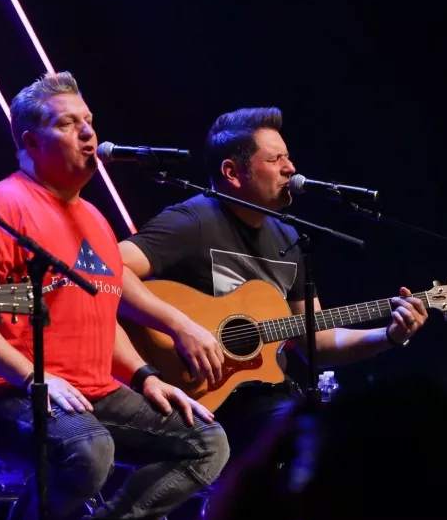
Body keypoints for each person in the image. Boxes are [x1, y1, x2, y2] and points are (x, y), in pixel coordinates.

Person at [0, 71, 229, 520]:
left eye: (88, 120)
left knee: (206, 441)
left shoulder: (94, 219)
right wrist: (34, 377)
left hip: (87, 393)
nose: (88, 132)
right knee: (89, 450)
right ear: (31, 142)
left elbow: (100, 313)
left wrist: (144, 376)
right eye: (68, 124)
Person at [118, 106, 430, 461]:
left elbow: (317, 341)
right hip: (198, 396)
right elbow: (110, 269)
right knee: (314, 439)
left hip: (266, 400)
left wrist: (389, 336)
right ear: (232, 173)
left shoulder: (289, 238)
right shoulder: (192, 221)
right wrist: (179, 325)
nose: (291, 168)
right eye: (276, 158)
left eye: (289, 157)